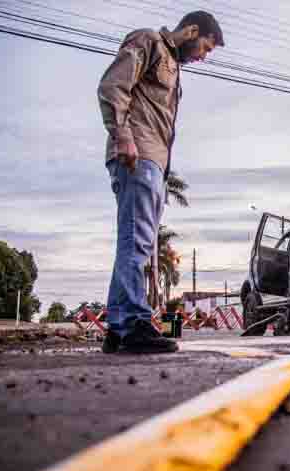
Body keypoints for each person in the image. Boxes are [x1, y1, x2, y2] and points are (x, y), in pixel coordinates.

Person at [99, 11, 224, 354]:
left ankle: (118, 327)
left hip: (153, 161)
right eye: (206, 47)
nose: (203, 56)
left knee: (135, 241)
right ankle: (133, 324)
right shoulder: (149, 41)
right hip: (137, 154)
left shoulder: (173, 65)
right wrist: (123, 136)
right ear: (192, 30)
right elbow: (113, 86)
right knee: (136, 241)